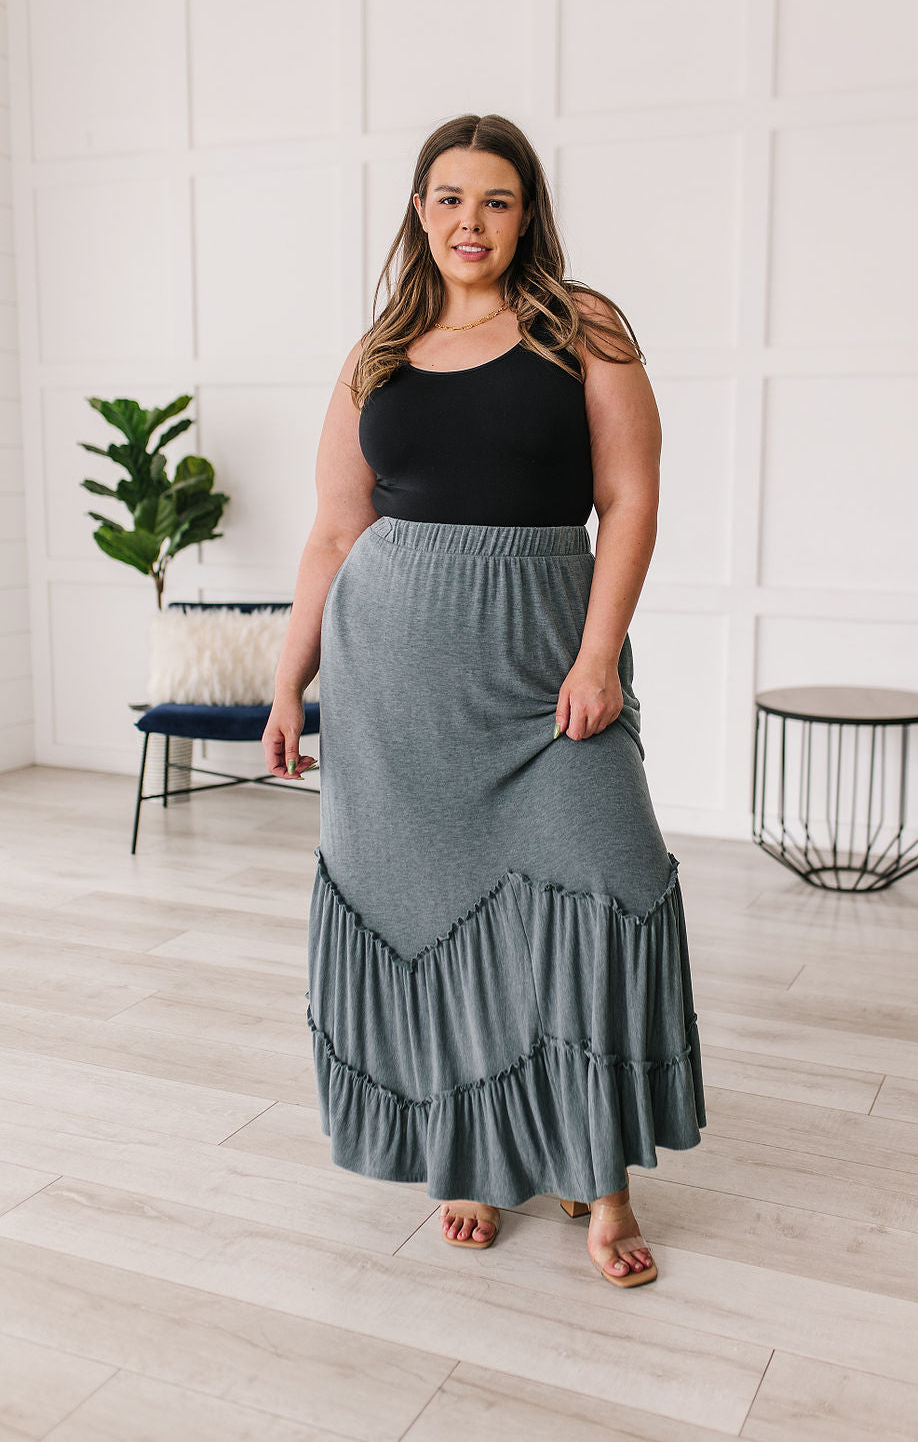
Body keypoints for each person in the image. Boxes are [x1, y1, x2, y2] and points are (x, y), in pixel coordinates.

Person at [262, 113, 705, 1288]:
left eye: (497, 200)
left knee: (601, 891)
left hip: (542, 664)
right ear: (420, 211)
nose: (471, 221)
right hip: (394, 678)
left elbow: (629, 498)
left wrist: (598, 657)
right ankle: (466, 1154)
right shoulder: (378, 352)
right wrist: (288, 680)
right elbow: (335, 528)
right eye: (450, 197)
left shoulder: (581, 325)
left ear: (526, 214)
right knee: (429, 917)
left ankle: (599, 1177)